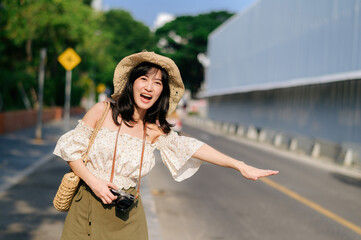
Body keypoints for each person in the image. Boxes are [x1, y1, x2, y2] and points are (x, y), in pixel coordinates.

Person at [53, 51, 278, 240]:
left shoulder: (154, 129)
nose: (149, 87)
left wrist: (239, 165)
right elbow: (71, 151)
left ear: (162, 91)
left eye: (157, 82)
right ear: (132, 83)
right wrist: (95, 183)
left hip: (127, 214)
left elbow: (192, 147)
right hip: (88, 207)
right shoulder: (102, 112)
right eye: (144, 79)